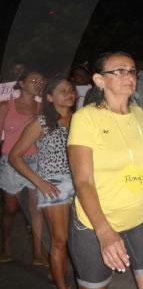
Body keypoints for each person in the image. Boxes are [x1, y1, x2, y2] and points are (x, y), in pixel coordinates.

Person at [67, 51, 143, 289]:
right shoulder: (85, 119)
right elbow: (83, 182)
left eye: (132, 70)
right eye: (119, 71)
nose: (128, 75)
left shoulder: (139, 114)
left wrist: (142, 171)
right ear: (99, 80)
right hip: (97, 223)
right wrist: (105, 233)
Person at [9, 76, 75, 289]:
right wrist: (40, 183)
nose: (70, 93)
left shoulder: (80, 119)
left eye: (71, 90)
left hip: (80, 183)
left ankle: (55, 273)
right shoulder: (42, 122)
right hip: (55, 184)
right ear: (49, 97)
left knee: (72, 239)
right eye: (63, 90)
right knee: (60, 239)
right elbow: (15, 156)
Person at [0, 69, 46, 265]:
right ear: (21, 84)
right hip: (10, 161)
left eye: (41, 81)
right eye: (34, 80)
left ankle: (37, 253)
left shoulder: (42, 107)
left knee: (36, 208)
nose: (38, 84)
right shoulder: (5, 106)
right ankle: (5, 243)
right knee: (11, 208)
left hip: (36, 160)